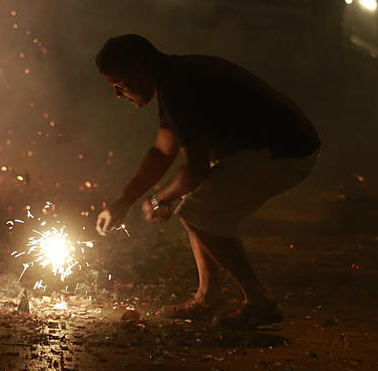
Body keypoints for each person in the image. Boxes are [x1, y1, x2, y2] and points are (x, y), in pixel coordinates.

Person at [94, 34, 320, 328]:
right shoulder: (173, 79)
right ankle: (208, 298)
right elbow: (162, 151)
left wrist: (159, 199)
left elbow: (195, 170)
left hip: (284, 151)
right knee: (195, 206)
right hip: (272, 148)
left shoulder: (178, 88)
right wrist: (123, 202)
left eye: (120, 85)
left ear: (139, 71)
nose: (118, 95)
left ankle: (261, 303)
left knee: (197, 209)